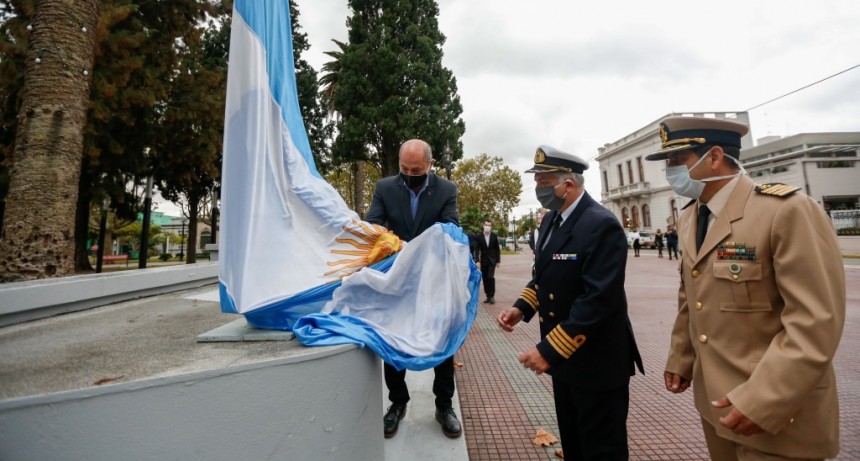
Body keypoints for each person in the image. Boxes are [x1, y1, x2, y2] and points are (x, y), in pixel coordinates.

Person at [646, 116, 845, 460]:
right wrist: (682, 357)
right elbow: (690, 297)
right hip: (716, 407)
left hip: (778, 412)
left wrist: (763, 399)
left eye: (678, 161)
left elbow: (815, 322)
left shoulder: (786, 211)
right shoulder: (691, 216)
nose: (670, 171)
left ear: (715, 157)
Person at [497, 145, 643, 460]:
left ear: (569, 184)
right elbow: (545, 278)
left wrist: (548, 350)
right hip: (565, 363)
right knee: (574, 444)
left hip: (596, 362)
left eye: (544, 181)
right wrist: (521, 307)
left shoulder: (600, 224)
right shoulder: (551, 221)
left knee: (601, 449)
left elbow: (598, 300)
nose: (538, 189)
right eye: (536, 181)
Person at [365, 138, 463, 439]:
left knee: (442, 343)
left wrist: (417, 249)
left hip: (433, 281)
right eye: (404, 168)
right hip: (396, 282)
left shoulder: (446, 190)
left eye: (416, 169)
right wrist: (388, 243)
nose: (409, 173)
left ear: (430, 165)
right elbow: (374, 227)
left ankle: (444, 405)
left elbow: (450, 229)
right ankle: (397, 403)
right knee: (393, 342)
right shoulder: (384, 188)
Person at [476, 220, 501, 304]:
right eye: (486, 225)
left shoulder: (494, 236)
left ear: (491, 227)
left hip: (492, 261)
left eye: (489, 225)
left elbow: (497, 249)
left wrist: (498, 261)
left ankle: (492, 296)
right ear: (483, 225)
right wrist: (477, 261)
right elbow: (476, 250)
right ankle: (488, 296)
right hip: (483, 261)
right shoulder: (479, 236)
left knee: (490, 277)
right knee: (485, 279)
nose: (487, 226)